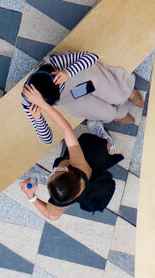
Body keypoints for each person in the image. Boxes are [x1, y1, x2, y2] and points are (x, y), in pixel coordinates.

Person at [17, 86, 125, 223]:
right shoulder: (79, 165)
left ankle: (106, 142)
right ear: (69, 170)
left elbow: (52, 216)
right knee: (102, 146)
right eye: (57, 172)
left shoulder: (62, 201)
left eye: (51, 175)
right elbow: (66, 128)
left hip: (84, 172)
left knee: (93, 148)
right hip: (92, 159)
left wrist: (31, 197)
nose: (53, 171)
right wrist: (42, 103)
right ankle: (108, 140)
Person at [20, 51, 145, 138]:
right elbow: (47, 139)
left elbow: (91, 56)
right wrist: (38, 119)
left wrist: (68, 72)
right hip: (67, 98)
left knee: (118, 96)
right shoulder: (28, 101)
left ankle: (128, 92)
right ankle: (117, 114)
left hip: (77, 76)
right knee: (108, 114)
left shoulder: (54, 63)